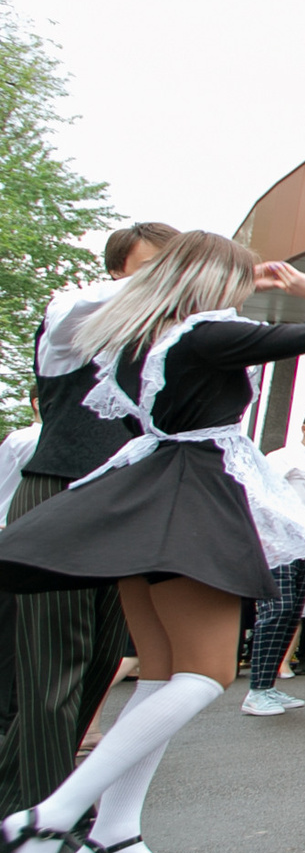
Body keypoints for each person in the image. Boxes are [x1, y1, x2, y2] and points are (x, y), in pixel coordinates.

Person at [0, 235, 305, 853]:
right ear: (215, 279)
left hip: (144, 489)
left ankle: (116, 835)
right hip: (192, 495)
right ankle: (47, 817)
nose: (250, 289)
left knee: (161, 675)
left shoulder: (137, 340)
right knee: (203, 673)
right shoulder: (208, 332)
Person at [0, 220, 171, 812]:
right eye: (153, 267)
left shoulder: (163, 350)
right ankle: (45, 813)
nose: (167, 282)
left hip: (123, 508)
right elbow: (72, 306)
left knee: (102, 658)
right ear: (119, 271)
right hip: (60, 494)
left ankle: (24, 803)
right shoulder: (74, 326)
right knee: (54, 666)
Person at [241, 405, 305, 714]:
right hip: (279, 544)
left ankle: (268, 685)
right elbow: (259, 496)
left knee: (293, 614)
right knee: (276, 609)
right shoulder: (281, 458)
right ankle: (256, 690)